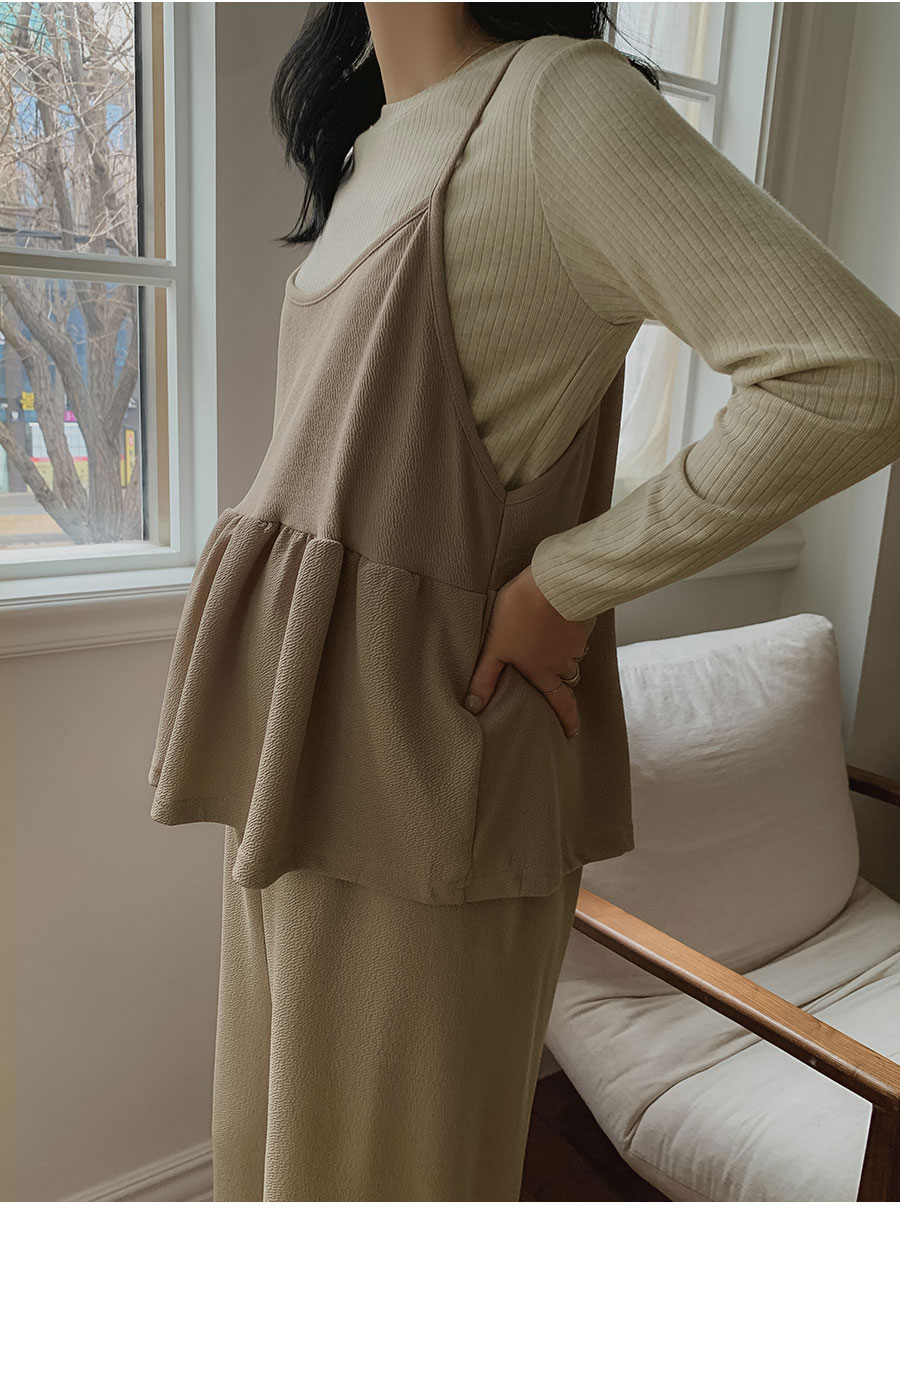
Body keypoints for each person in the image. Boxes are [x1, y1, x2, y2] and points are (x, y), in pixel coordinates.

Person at [147, 3, 900, 1201]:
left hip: (423, 777)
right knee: (277, 1165)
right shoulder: (375, 136)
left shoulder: (557, 105)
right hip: (291, 760)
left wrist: (568, 581)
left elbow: (853, 377)